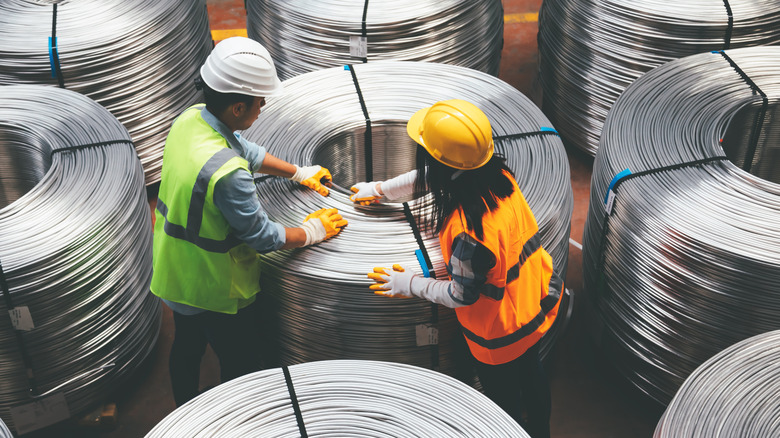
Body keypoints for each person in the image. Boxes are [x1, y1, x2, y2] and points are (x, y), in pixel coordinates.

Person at [150, 37, 347, 407]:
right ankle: (236, 416)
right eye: (259, 101)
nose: (263, 107)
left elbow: (243, 148)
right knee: (238, 359)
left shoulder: (190, 119)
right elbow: (262, 237)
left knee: (187, 346)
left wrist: (297, 172)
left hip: (174, 270)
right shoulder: (227, 174)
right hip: (214, 287)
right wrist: (313, 230)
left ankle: (185, 409)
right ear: (238, 107)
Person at [354, 99, 563, 438]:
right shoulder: (498, 178)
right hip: (534, 302)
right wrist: (380, 190)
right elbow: (432, 176)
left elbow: (461, 294)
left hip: (500, 333)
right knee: (532, 375)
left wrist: (410, 284)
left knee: (504, 401)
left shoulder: (469, 232)